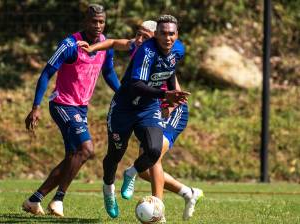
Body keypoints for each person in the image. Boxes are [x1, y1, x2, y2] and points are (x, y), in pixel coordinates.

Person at [80, 19, 203, 220]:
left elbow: (170, 71)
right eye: (163, 34)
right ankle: (108, 189)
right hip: (124, 109)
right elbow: (135, 84)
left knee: (154, 150)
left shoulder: (176, 49)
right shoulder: (145, 50)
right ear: (158, 36)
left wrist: (171, 97)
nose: (168, 38)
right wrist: (166, 96)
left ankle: (131, 174)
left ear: (176, 34)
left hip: (148, 107)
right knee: (115, 155)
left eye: (171, 34)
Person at [22, 4, 120, 217]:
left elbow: (109, 72)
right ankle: (58, 200)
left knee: (72, 157)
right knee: (86, 149)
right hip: (62, 104)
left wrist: (123, 93)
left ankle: (34, 199)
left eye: (101, 22)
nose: (98, 25)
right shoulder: (70, 44)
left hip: (81, 108)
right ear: (86, 22)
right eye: (94, 21)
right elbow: (46, 73)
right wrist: (35, 107)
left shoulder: (105, 45)